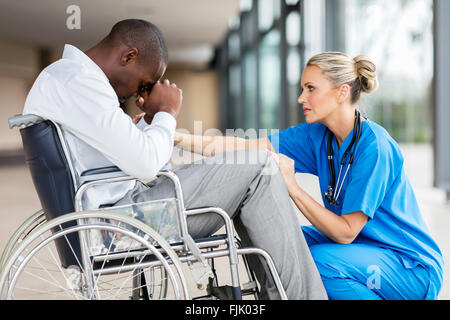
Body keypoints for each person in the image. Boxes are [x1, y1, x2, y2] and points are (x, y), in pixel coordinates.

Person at [22, 18, 327, 300]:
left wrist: (150, 122)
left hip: (119, 209)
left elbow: (118, 152)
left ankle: (282, 294)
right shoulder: (79, 83)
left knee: (250, 172)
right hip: (123, 221)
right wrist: (166, 113)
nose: (138, 94)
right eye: (144, 84)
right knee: (261, 165)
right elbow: (146, 164)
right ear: (128, 56)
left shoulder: (69, 79)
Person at [174, 52, 444, 300]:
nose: (301, 98)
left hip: (408, 265)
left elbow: (345, 233)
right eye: (303, 89)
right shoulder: (317, 136)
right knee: (276, 244)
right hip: (363, 249)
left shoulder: (375, 148)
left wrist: (293, 187)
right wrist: (177, 138)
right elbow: (245, 148)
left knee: (320, 262)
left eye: (310, 89)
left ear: (341, 92)